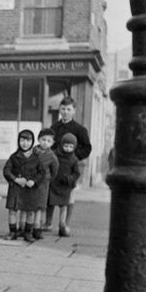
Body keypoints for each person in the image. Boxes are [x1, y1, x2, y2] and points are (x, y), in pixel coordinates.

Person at [45, 96, 91, 230]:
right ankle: (47, 223)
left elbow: (87, 148)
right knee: (50, 195)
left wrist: (74, 157)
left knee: (69, 197)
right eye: (63, 109)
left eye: (68, 109)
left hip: (70, 169)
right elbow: (49, 143)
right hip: (55, 168)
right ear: (59, 110)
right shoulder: (54, 127)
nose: (65, 112)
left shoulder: (80, 130)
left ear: (74, 111)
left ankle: (65, 224)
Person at [2, 129, 45, 242]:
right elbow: (6, 170)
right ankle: (13, 232)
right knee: (12, 210)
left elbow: (42, 173)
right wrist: (15, 179)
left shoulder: (36, 158)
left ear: (32, 142)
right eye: (22, 140)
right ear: (18, 141)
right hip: (16, 188)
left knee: (30, 211)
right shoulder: (14, 157)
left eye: (28, 140)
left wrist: (34, 181)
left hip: (30, 189)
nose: (25, 143)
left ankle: (28, 233)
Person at [48, 133, 81, 237]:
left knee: (64, 206)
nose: (68, 149)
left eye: (71, 147)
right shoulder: (54, 155)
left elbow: (76, 173)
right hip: (54, 183)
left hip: (66, 185)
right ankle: (47, 222)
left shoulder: (74, 159)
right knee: (49, 203)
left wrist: (69, 179)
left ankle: (62, 224)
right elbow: (49, 166)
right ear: (61, 144)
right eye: (66, 146)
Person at [32, 128, 59, 238]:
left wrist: (48, 178)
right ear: (38, 139)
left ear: (52, 143)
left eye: (48, 141)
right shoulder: (33, 151)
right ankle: (27, 225)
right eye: (43, 139)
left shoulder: (52, 156)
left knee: (40, 205)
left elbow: (55, 169)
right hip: (32, 181)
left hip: (43, 182)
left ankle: (37, 226)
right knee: (30, 204)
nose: (45, 142)